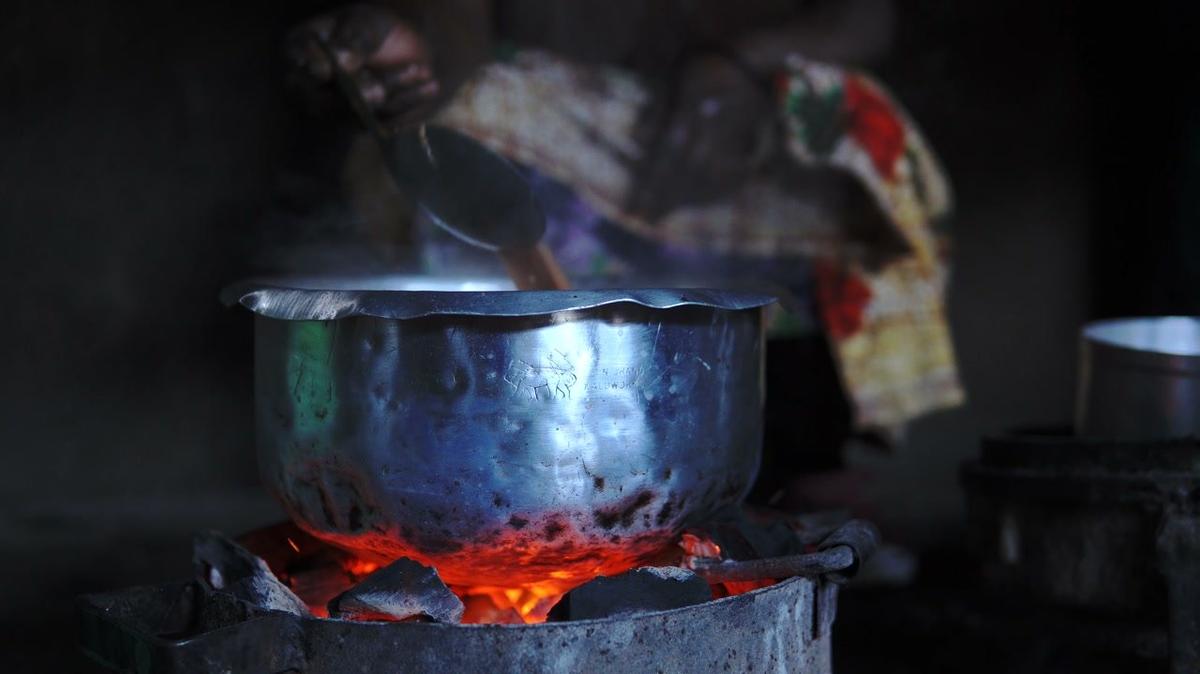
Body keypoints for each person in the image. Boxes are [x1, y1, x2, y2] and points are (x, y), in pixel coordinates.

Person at [285, 1, 961, 510]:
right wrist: (408, 53)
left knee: (857, 122)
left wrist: (739, 67)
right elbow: (456, 28)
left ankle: (800, 451)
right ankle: (498, 452)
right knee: (468, 115)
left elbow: (869, 15)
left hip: (756, 115)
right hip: (567, 120)